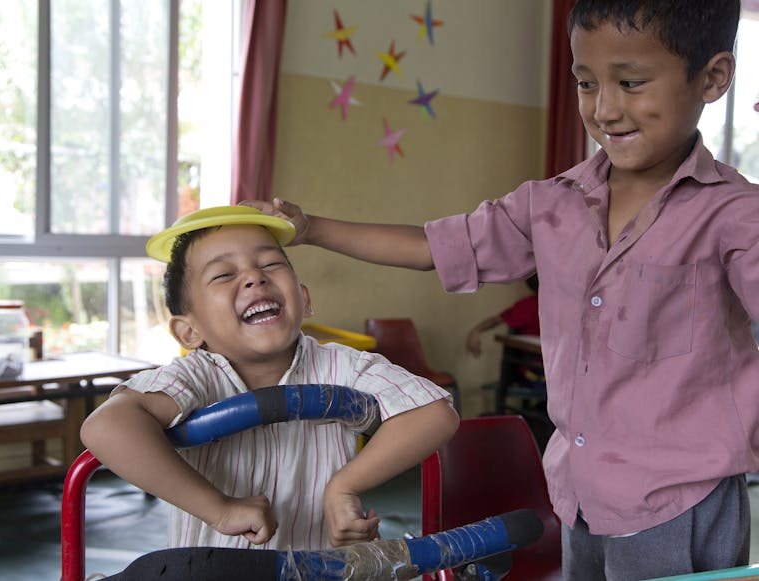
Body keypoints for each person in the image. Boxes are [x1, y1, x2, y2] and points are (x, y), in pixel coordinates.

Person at [244, 1, 758, 578]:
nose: (605, 109)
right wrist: (312, 228)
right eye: (586, 83)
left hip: (680, 502)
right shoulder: (550, 204)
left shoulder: (736, 216)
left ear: (712, 78)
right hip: (580, 494)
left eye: (632, 83)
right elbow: (431, 248)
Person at [80, 205, 459, 552]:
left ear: (304, 299)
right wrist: (220, 510)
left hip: (316, 571)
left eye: (271, 265)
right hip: (216, 574)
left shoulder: (345, 366)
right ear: (189, 332)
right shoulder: (194, 376)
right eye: (225, 274)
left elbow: (434, 412)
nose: (254, 279)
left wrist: (344, 487)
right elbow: (107, 427)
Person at [465, 274, 539, 358]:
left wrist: (476, 330)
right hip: (535, 364)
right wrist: (475, 331)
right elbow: (497, 320)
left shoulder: (529, 305)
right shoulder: (528, 306)